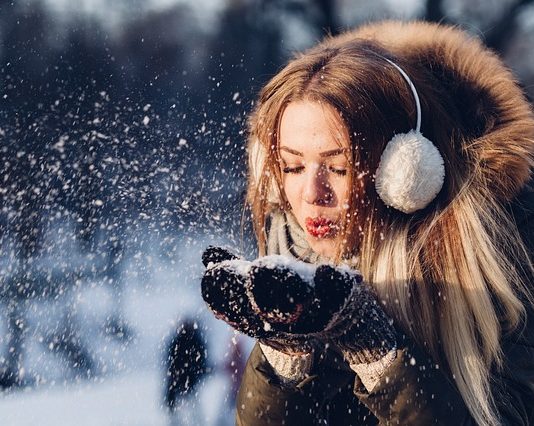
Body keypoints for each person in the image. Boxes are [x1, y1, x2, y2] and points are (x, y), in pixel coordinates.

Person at [200, 20, 534, 425]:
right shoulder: (294, 260)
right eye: (291, 166)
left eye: (338, 168)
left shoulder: (503, 266)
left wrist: (378, 354)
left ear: (405, 172)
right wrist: (284, 358)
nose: (311, 193)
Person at [163, 319, 209, 425]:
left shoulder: (183, 340)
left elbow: (171, 359)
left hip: (184, 377)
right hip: (184, 377)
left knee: (191, 406)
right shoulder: (190, 340)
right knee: (190, 406)